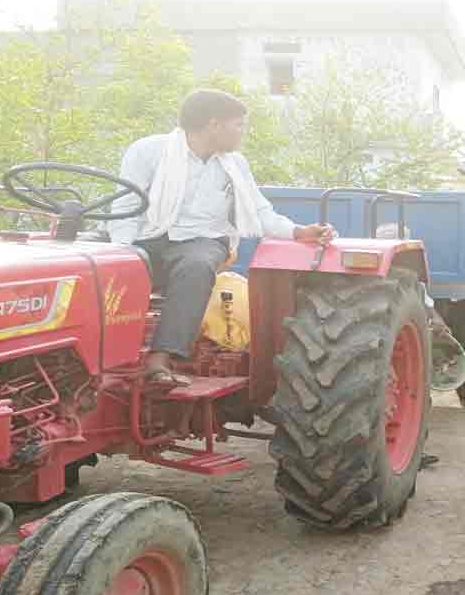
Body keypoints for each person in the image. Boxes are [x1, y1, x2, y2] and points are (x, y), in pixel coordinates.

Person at [107, 89, 334, 386]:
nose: (243, 133)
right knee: (92, 262)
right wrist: (122, 255)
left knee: (197, 264)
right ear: (214, 125)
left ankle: (160, 359)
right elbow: (125, 207)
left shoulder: (235, 164)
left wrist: (297, 232)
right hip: (149, 235)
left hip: (202, 241)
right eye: (238, 125)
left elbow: (260, 211)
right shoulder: (148, 151)